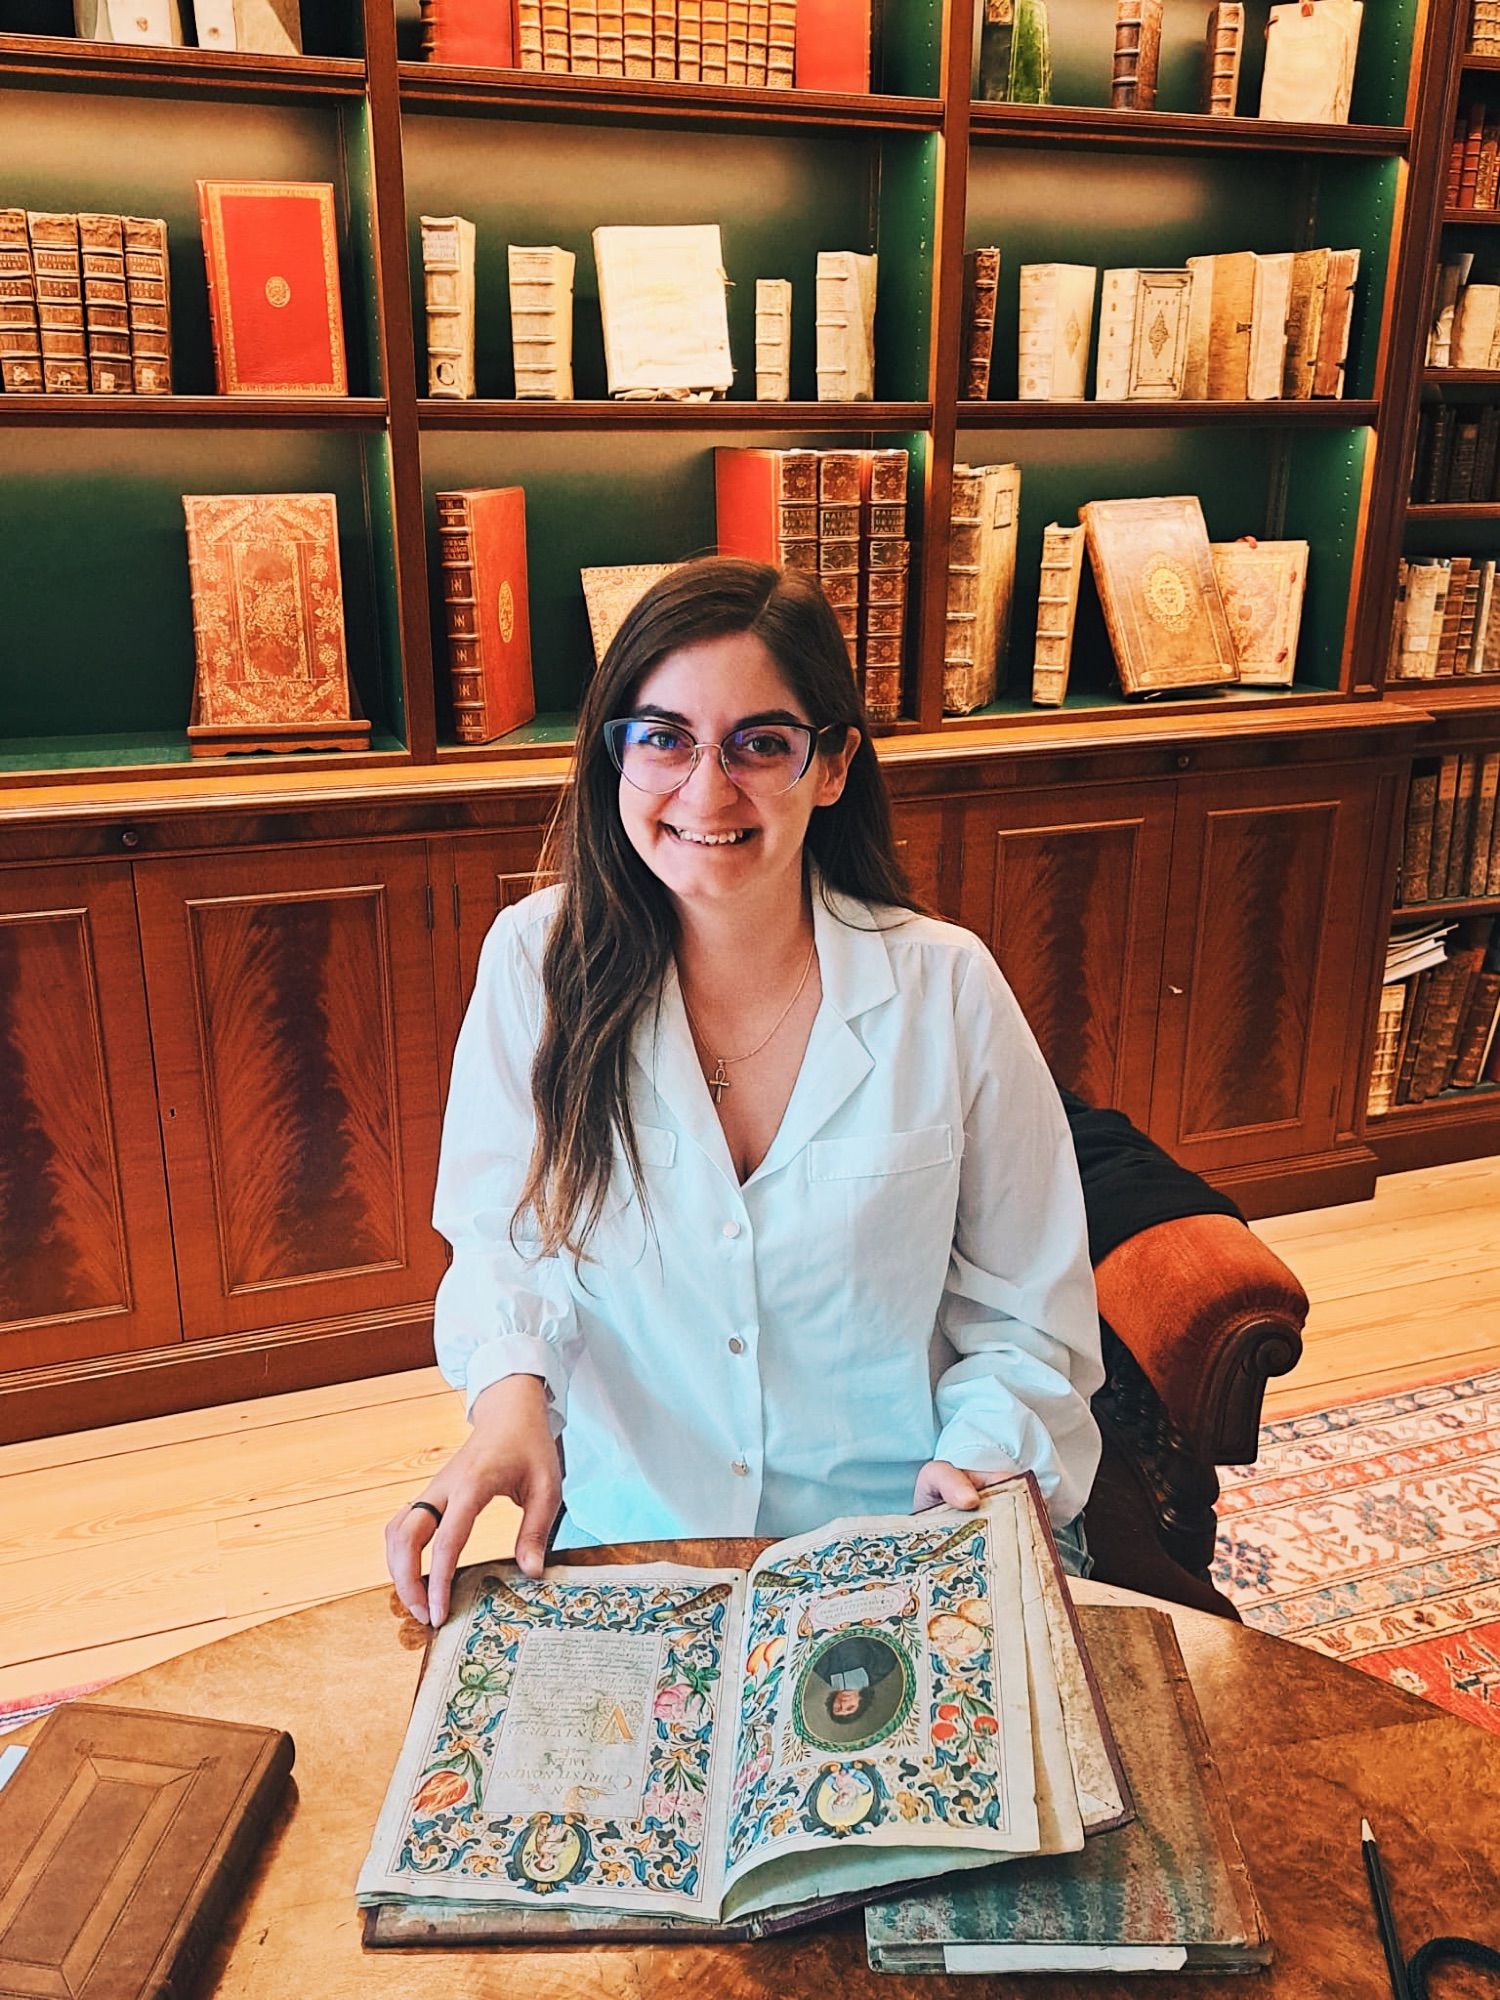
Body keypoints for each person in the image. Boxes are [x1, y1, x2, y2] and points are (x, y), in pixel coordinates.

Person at [386, 557, 1104, 1627]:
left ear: (832, 764)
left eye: (760, 743)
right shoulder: (533, 963)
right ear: (613, 754)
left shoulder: (946, 987)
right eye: (664, 736)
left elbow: (1028, 1314)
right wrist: (507, 1405)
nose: (706, 789)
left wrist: (981, 1459)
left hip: (898, 1554)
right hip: (631, 1549)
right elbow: (500, 1240)